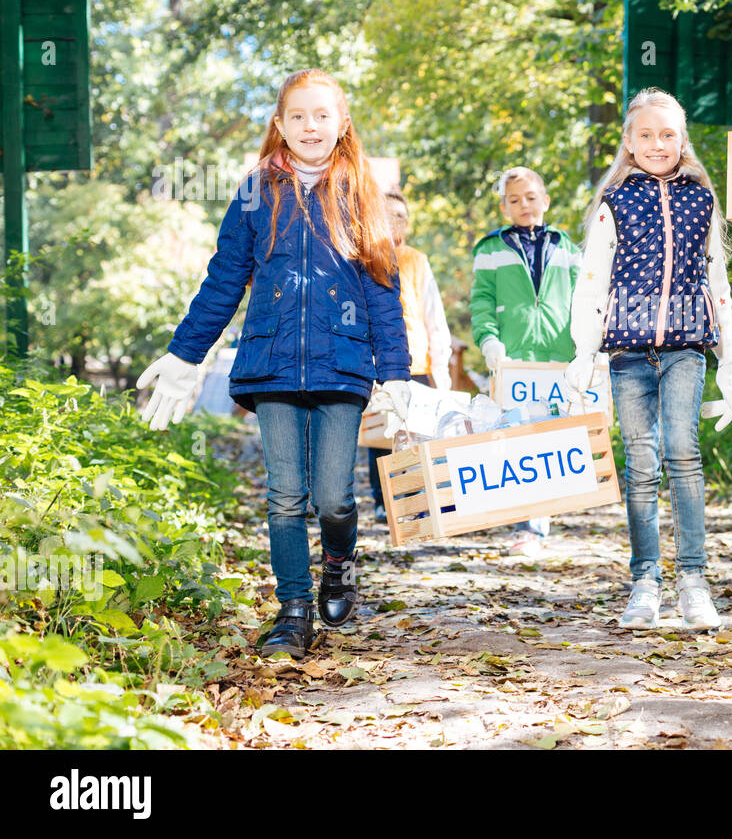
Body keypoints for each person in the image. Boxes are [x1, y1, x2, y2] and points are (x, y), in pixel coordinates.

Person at [136, 68, 414, 659]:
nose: (310, 126)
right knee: (285, 495)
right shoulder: (256, 188)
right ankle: (292, 612)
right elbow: (224, 280)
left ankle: (338, 563)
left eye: (322, 116)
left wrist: (395, 374)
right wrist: (186, 353)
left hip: (343, 363)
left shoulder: (361, 189)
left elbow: (382, 290)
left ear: (342, 123)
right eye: (298, 117)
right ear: (280, 125)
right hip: (273, 362)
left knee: (333, 497)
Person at [565, 87, 732, 631]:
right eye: (646, 134)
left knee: (682, 451)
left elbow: (718, 283)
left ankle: (694, 580)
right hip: (628, 351)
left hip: (687, 345)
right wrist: (582, 351)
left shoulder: (702, 200)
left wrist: (729, 363)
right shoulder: (614, 203)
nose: (657, 143)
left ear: (682, 140)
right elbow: (592, 280)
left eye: (668, 134)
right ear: (629, 142)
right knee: (641, 463)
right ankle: (645, 581)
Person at [469, 166, 583, 556]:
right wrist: (488, 340)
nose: (524, 205)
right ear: (504, 206)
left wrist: (587, 346)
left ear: (545, 200)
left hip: (557, 358)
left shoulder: (567, 248)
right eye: (514, 200)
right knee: (518, 439)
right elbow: (482, 300)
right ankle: (530, 528)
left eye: (531, 197)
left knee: (552, 436)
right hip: (513, 359)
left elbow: (584, 301)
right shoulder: (490, 249)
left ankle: (538, 521)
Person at [365, 187, 453, 523]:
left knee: (417, 434)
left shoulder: (417, 261)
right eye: (386, 213)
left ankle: (416, 498)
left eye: (399, 216)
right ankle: (382, 499)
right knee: (382, 435)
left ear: (408, 224)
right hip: (378, 365)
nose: (392, 221)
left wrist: (440, 367)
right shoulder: (364, 256)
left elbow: (434, 315)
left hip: (415, 361)